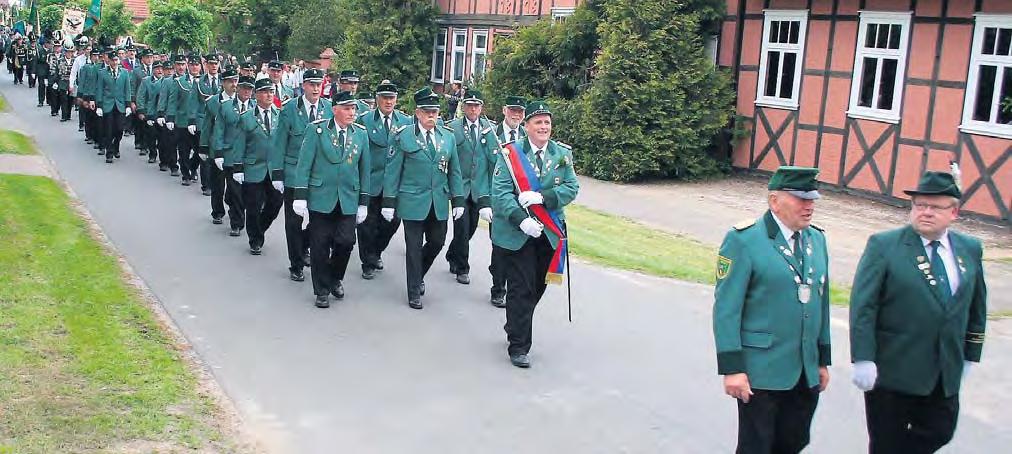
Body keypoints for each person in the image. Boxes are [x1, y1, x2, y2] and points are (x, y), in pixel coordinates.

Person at [849, 171, 987, 454]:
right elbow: (864, 305)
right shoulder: (885, 246)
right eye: (919, 205)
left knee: (941, 431)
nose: (925, 212)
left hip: (943, 370)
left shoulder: (969, 249)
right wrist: (863, 357)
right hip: (893, 370)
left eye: (935, 207)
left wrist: (971, 354)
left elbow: (976, 305)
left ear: (954, 212)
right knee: (887, 444)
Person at [712, 166, 831, 453]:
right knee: (757, 446)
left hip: (804, 368)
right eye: (801, 199)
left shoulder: (817, 239)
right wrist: (732, 368)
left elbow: (820, 302)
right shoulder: (744, 240)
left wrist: (822, 359)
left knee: (794, 442)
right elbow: (726, 308)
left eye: (812, 198)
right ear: (774, 200)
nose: (809, 205)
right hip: (761, 370)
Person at [489, 100, 578, 368]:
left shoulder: (562, 155)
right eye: (538, 122)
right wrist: (521, 220)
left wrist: (543, 196)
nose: (543, 127)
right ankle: (519, 345)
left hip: (549, 232)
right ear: (526, 126)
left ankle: (515, 322)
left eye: (547, 123)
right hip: (519, 234)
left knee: (538, 286)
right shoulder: (509, 154)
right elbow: (501, 194)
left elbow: (572, 188)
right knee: (521, 288)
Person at [382, 88, 465, 309]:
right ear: (417, 113)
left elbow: (454, 171)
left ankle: (419, 275)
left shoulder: (447, 137)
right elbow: (393, 171)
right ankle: (413, 292)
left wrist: (458, 200)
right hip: (411, 200)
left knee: (437, 242)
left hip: (438, 200)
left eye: (435, 112)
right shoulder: (403, 136)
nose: (431, 116)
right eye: (427, 112)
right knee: (413, 246)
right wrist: (389, 201)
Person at [290, 90, 370, 308]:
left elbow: (365, 170)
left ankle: (335, 277)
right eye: (346, 108)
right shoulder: (317, 131)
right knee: (319, 245)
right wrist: (300, 196)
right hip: (320, 197)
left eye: (353, 108)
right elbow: (304, 164)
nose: (351, 112)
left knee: (346, 241)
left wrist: (364, 202)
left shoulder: (361, 134)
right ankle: (322, 290)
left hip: (348, 198)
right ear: (335, 110)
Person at [273, 68, 333, 282]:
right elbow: (279, 141)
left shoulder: (329, 109)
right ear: (303, 86)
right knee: (293, 221)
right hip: (294, 172)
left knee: (319, 220)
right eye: (312, 84)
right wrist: (277, 174)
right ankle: (296, 263)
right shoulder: (290, 109)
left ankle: (305, 246)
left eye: (319, 84)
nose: (316, 88)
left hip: (319, 176)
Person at [355, 80, 412, 280]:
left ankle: (376, 251)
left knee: (392, 222)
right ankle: (367, 261)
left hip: (394, 184)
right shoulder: (364, 120)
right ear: (377, 98)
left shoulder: (405, 122)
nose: (389, 102)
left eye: (392, 98)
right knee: (366, 224)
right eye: (385, 98)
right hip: (370, 180)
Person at [445, 88, 495, 286]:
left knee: (471, 227)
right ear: (464, 107)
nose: (473, 109)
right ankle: (462, 268)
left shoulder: (490, 129)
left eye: (477, 105)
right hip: (460, 187)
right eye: (470, 105)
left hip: (479, 189)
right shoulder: (453, 128)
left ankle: (452, 253)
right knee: (462, 227)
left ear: (481, 108)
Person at [232, 78, 284, 255]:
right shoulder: (246, 117)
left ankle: (259, 228)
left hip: (274, 169)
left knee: (276, 204)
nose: (269, 95)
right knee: (253, 206)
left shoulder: (280, 115)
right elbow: (238, 143)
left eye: (271, 91)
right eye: (264, 92)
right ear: (256, 95)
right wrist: (237, 168)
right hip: (253, 168)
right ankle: (255, 239)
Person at [212, 75, 257, 237]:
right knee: (236, 190)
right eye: (244, 88)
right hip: (231, 154)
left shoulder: (256, 108)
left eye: (250, 89)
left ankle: (232, 203)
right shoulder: (225, 107)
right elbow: (219, 131)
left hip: (251, 156)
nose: (246, 91)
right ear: (237, 88)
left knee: (245, 192)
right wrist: (218, 153)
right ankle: (237, 223)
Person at [203, 65, 239, 226]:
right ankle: (217, 211)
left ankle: (234, 212)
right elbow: (207, 127)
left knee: (234, 187)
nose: (233, 84)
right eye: (230, 81)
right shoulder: (212, 102)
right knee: (217, 184)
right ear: (222, 83)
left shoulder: (242, 102)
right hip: (216, 149)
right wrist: (203, 147)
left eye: (235, 80)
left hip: (234, 151)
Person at [94, 49, 133, 163]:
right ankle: (109, 152)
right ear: (109, 61)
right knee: (108, 129)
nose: (115, 62)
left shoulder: (124, 72)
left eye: (117, 60)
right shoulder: (102, 73)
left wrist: (128, 104)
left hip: (120, 104)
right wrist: (99, 105)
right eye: (113, 60)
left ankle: (116, 146)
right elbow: (99, 89)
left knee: (120, 128)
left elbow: (127, 89)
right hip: (108, 104)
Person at [135, 57, 163, 162]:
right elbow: (140, 96)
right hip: (150, 112)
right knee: (151, 136)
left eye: (161, 68)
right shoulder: (146, 81)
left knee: (163, 138)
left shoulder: (167, 81)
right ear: (153, 70)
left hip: (162, 114)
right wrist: (141, 111)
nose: (159, 71)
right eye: (157, 68)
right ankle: (152, 154)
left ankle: (164, 158)